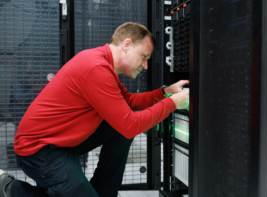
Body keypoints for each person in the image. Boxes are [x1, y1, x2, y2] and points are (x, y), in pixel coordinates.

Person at [0, 22, 189, 197]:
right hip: (39, 150)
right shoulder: (96, 68)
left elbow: (129, 101)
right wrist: (172, 103)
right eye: (144, 57)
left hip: (62, 142)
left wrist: (165, 92)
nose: (146, 65)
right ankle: (10, 188)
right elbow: (130, 125)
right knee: (126, 126)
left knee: (119, 129)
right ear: (127, 45)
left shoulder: (103, 64)